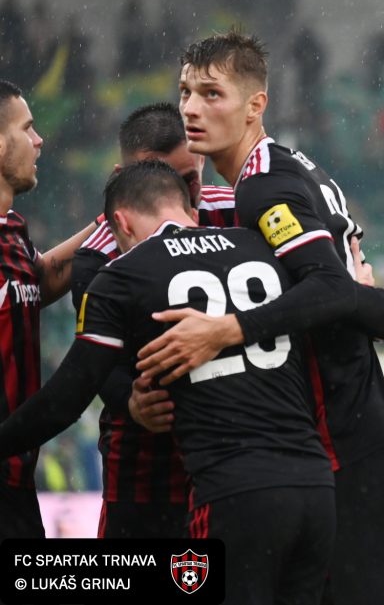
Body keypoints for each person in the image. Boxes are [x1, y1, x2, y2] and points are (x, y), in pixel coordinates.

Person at [133, 32, 384, 605]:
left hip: (341, 439)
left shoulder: (264, 188)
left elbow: (329, 287)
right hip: (366, 430)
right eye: (186, 92)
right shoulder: (289, 167)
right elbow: (370, 305)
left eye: (212, 93)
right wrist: (372, 300)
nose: (191, 108)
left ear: (255, 105)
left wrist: (226, 330)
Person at [0, 160, 335, 604]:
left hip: (234, 493)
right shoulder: (258, 247)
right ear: (191, 210)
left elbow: (66, 398)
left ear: (120, 223)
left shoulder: (122, 274)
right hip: (316, 486)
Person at [70, 102, 235, 539]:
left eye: (188, 180)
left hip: (231, 461)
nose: (174, 194)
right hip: (143, 468)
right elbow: (98, 363)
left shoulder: (240, 214)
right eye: (157, 178)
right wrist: (131, 402)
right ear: (123, 177)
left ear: (202, 160)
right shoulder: (96, 258)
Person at [0, 80, 97, 541]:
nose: (38, 141)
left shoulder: (13, 232)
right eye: (27, 128)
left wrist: (117, 216)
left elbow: (37, 281)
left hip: (16, 480)